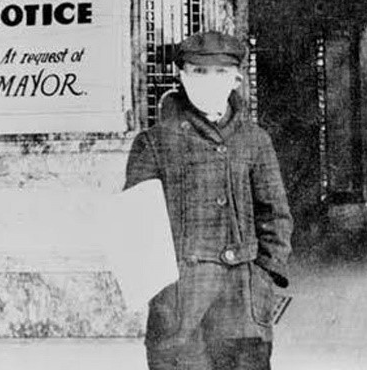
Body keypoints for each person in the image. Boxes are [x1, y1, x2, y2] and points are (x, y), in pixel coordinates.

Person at [124, 30, 293, 370]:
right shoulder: (153, 143)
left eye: (220, 72)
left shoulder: (255, 141)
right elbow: (135, 228)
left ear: (236, 79)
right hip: (181, 310)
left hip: (243, 307)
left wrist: (263, 280)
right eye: (198, 72)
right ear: (181, 77)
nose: (209, 82)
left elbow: (276, 217)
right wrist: (165, 296)